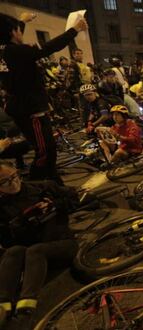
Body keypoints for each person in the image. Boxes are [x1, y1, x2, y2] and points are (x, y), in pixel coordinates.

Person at [0, 12, 88, 184]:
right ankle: (36, 186)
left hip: (20, 107)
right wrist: (74, 30)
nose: (21, 33)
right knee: (45, 151)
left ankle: (55, 183)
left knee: (48, 149)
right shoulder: (17, 52)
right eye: (18, 30)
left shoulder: (5, 51)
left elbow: (11, 36)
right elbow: (49, 47)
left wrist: (21, 21)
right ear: (12, 32)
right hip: (32, 111)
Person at [0, 163, 79, 326]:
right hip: (31, 255)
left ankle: (25, 311)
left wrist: (53, 205)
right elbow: (7, 241)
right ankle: (3, 305)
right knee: (13, 251)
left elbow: (73, 198)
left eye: (14, 176)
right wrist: (21, 221)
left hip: (62, 243)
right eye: (5, 182)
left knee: (36, 250)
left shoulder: (43, 187)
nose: (13, 183)